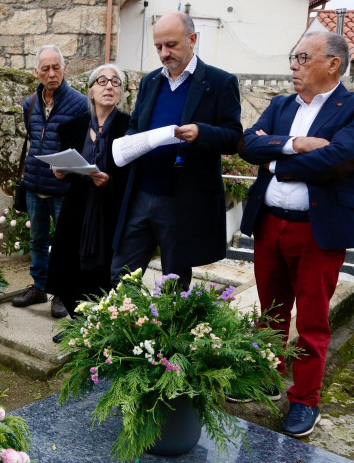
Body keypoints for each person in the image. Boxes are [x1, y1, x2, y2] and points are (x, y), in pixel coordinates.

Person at [237, 31, 354, 438]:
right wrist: (297, 144)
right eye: (293, 57)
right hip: (270, 222)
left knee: (313, 320)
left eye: (302, 57)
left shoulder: (351, 107)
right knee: (270, 311)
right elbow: (247, 144)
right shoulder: (281, 105)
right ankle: (267, 377)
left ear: (332, 63)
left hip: (317, 231)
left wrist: (278, 163)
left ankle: (305, 399)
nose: (293, 66)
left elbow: (339, 158)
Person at [110, 12, 242, 289]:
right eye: (158, 47)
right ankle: (125, 328)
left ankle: (165, 332)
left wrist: (201, 133)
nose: (164, 53)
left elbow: (233, 137)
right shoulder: (150, 82)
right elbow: (135, 126)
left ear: (192, 40)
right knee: (121, 275)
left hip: (182, 199)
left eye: (171, 45)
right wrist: (131, 141)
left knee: (173, 283)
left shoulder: (219, 82)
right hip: (142, 194)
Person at [45, 64, 131, 342]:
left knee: (104, 267)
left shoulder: (129, 127)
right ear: (90, 90)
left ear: (120, 92)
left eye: (115, 82)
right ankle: (78, 323)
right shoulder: (73, 126)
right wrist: (60, 171)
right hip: (78, 205)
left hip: (110, 208)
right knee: (69, 263)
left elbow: (133, 174)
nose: (109, 86)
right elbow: (67, 166)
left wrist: (110, 182)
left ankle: (102, 326)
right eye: (102, 81)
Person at [12, 44, 88, 318]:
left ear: (64, 69)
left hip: (64, 188)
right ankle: (39, 287)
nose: (52, 73)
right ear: (37, 72)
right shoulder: (29, 104)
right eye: (46, 68)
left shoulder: (80, 104)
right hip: (35, 183)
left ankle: (61, 293)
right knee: (37, 239)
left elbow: (84, 147)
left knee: (66, 242)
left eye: (56, 67)